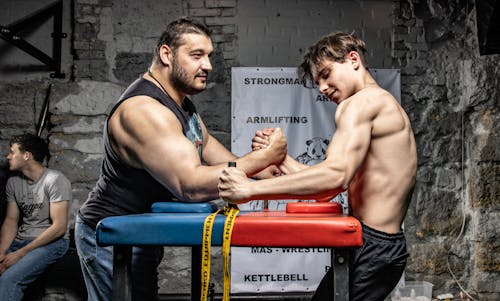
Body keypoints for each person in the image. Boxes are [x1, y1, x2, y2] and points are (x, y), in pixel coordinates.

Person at [75, 17, 286, 301]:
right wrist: (260, 158)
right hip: (110, 234)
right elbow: (190, 185)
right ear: (166, 54)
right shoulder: (144, 111)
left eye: (209, 55)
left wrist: (260, 168)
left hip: (140, 233)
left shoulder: (180, 103)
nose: (208, 65)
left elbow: (207, 146)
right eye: (197, 55)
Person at [218, 32, 417, 301]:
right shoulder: (378, 102)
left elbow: (334, 177)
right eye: (317, 82)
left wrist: (249, 190)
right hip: (377, 245)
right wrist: (281, 159)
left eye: (326, 74)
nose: (322, 88)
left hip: (375, 247)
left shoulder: (361, 103)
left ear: (353, 59)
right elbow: (330, 183)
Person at [0, 133, 72, 300]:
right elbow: (11, 221)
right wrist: (2, 253)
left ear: (26, 155)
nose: (8, 156)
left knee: (9, 281)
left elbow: (59, 227)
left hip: (51, 242)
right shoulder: (14, 182)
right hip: (21, 240)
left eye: (12, 152)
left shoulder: (55, 180)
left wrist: (20, 254)